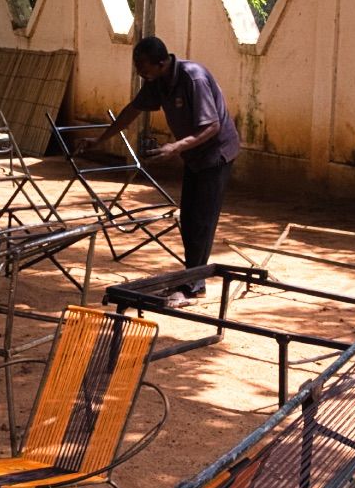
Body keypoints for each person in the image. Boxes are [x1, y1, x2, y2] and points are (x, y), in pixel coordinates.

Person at [79, 36, 241, 308]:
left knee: (201, 221)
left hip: (216, 154)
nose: (140, 74)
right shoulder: (157, 80)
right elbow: (132, 110)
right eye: (138, 69)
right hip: (194, 156)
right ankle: (192, 279)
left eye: (144, 69)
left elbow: (212, 126)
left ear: (162, 62)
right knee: (189, 219)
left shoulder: (193, 78)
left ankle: (193, 286)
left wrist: (175, 147)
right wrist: (100, 139)